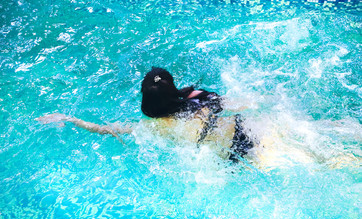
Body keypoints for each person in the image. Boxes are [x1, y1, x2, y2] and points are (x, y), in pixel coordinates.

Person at [36, 67, 254, 163]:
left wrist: (69, 118)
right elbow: (244, 105)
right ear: (173, 88)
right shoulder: (197, 96)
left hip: (227, 158)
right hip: (249, 131)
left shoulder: (156, 127)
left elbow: (105, 129)